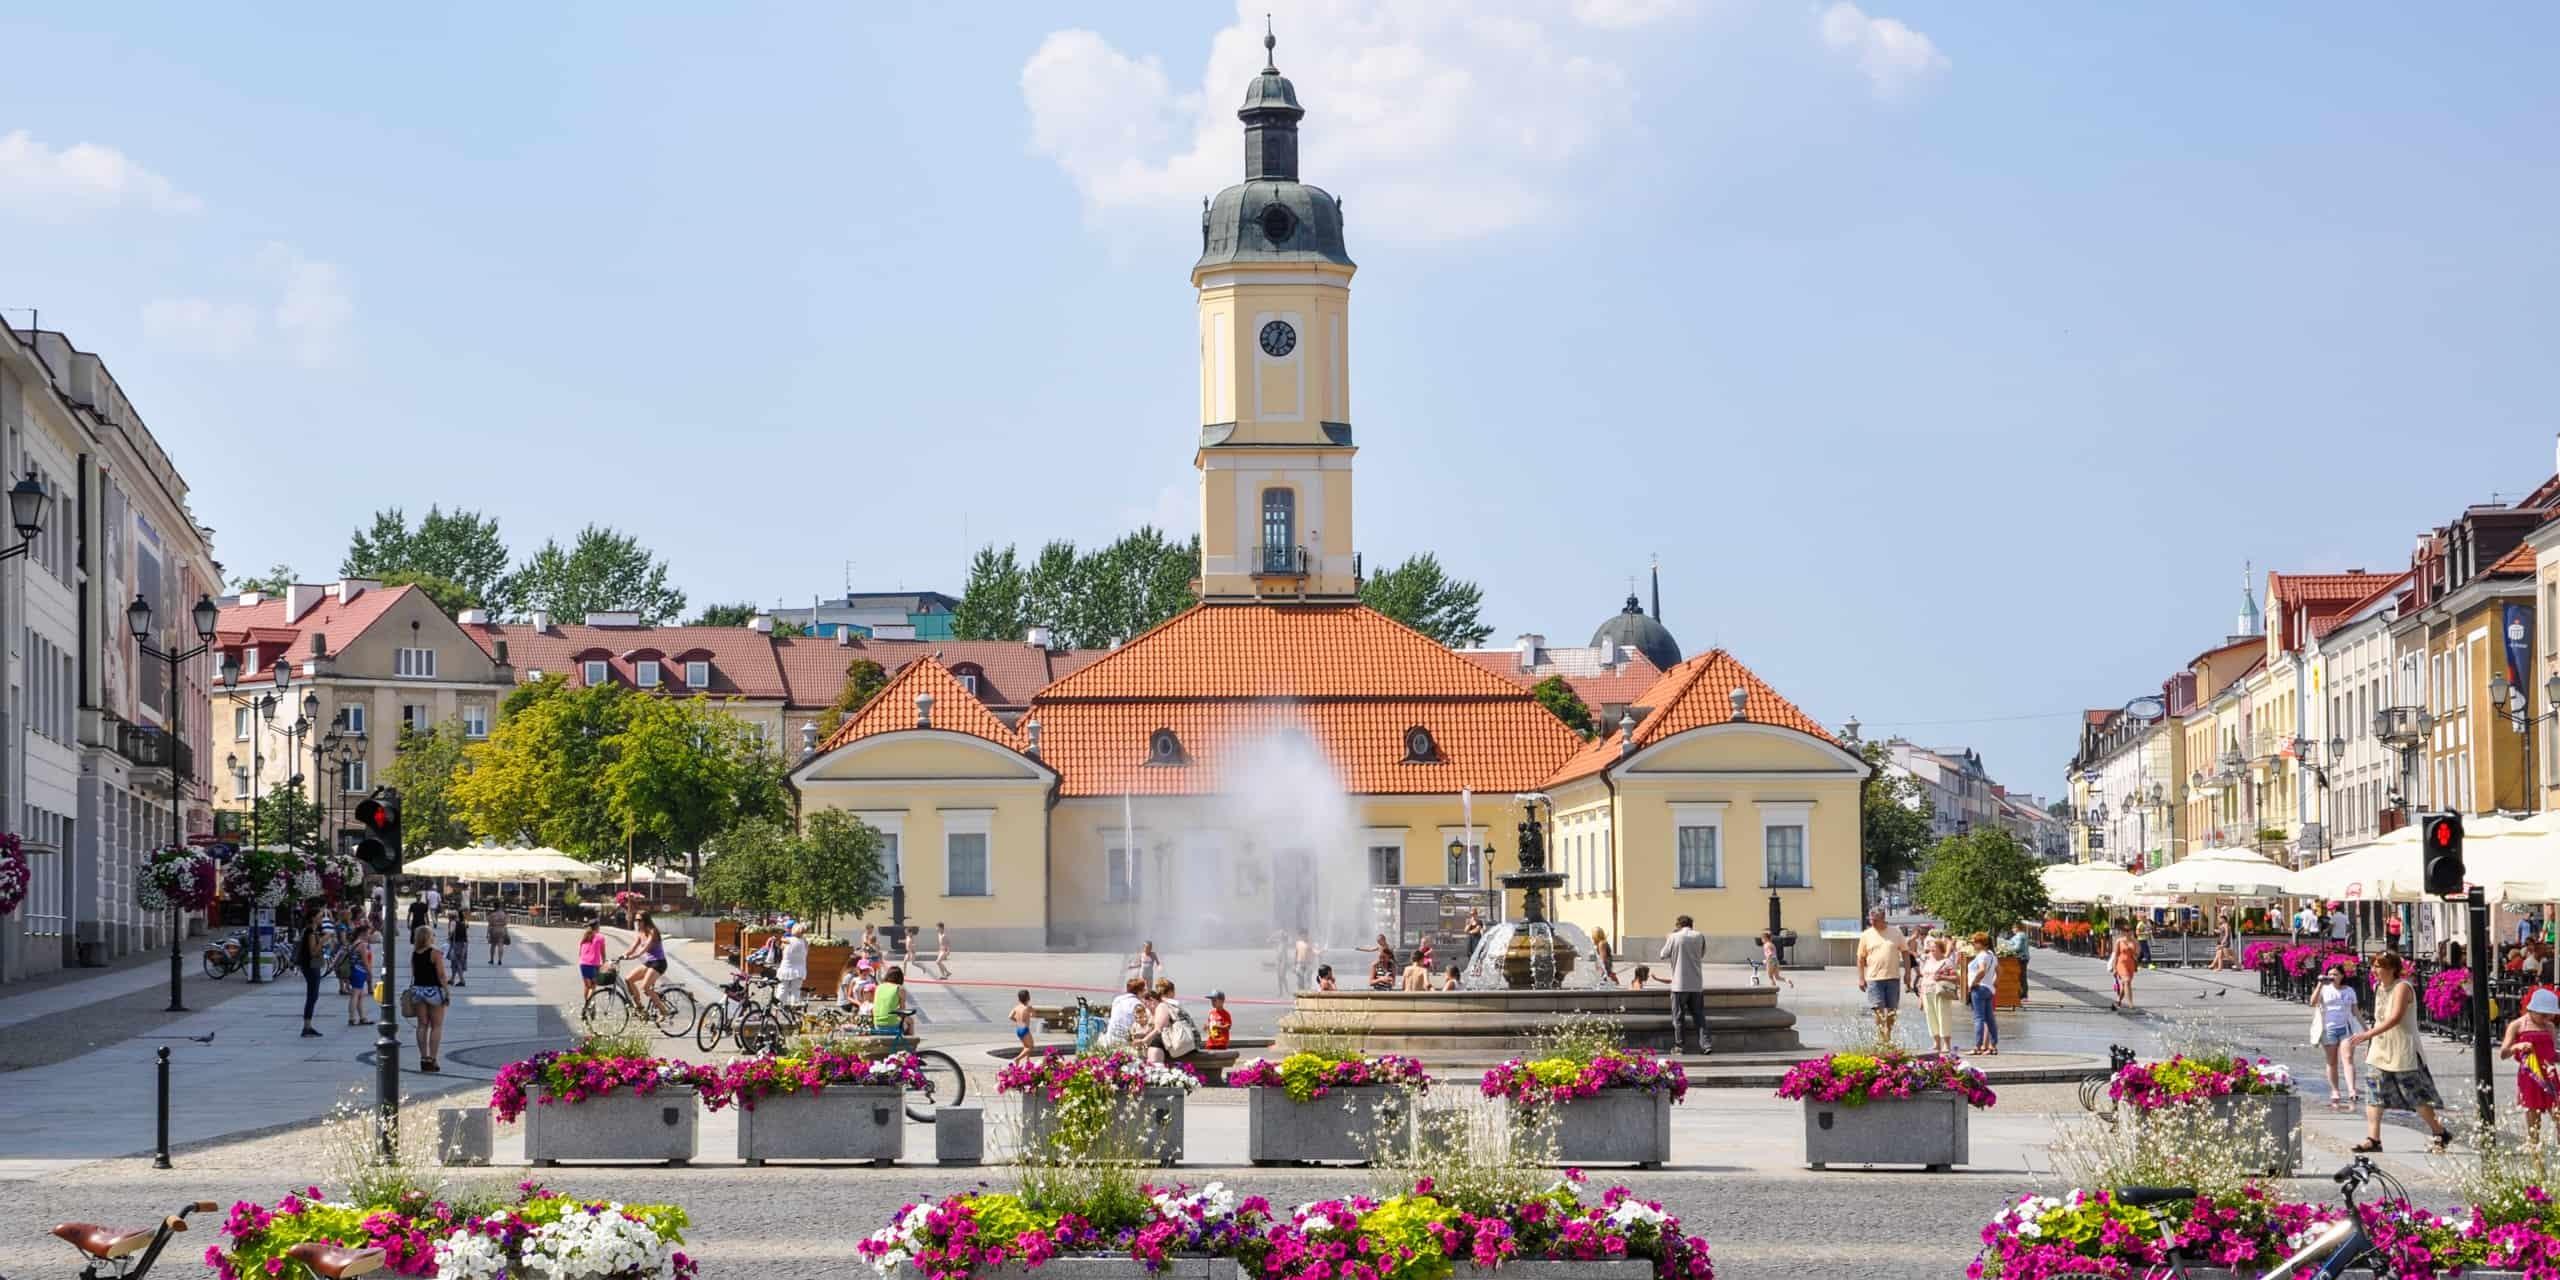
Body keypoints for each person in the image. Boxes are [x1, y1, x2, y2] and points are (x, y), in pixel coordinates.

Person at [2350, 951, 2453, 1153]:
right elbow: (2379, 1018)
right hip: (2380, 1048)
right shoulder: (2378, 987)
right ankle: (2374, 1139)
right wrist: (2371, 1042)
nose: (2373, 971)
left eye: (2377, 966)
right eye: (2373, 966)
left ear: (2391, 969)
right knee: (2374, 1093)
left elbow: (2395, 1017)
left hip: (2402, 1049)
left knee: (2415, 1095)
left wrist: (2366, 1034)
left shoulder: (2402, 988)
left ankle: (2439, 1131)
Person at [2507, 987, 2560, 1145]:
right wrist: (2517, 1046)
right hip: (2530, 1077)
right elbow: (2504, 1052)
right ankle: (2537, 1166)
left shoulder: (2549, 1027)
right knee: (2534, 1126)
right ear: (2532, 1009)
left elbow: (2552, 1054)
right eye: (2543, 1014)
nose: (2547, 1018)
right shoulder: (2517, 1025)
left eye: (2550, 1015)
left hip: (2550, 1076)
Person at [2309, 962, 2362, 1111]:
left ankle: (2352, 1089)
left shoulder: (2349, 991)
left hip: (2345, 1028)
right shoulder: (2324, 989)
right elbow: (2312, 1002)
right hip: (2328, 1029)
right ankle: (2335, 1090)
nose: (2332, 977)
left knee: (2348, 1058)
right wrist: (2320, 985)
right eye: (2330, 974)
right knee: (2332, 1061)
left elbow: (2355, 1011)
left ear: (2342, 976)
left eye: (2335, 974)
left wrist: (2365, 1029)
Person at [1661, 913, 1710, 1055]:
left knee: (1678, 1016)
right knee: (1699, 1016)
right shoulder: (1699, 936)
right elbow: (1702, 953)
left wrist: (1669, 938)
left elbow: (1663, 954)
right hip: (1696, 983)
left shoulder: (1674, 937)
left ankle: (1680, 1046)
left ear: (1678, 925)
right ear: (1691, 925)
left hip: (1679, 984)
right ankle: (1705, 1045)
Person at [1855, 908, 1905, 1042]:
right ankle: (1881, 1035)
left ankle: (1888, 1033)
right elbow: (1860, 958)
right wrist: (1861, 978)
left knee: (1892, 1010)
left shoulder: (1896, 932)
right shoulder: (1866, 935)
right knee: (1878, 1008)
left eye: (1875, 920)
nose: (1872, 922)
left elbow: (1905, 952)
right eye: (1871, 920)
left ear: (1883, 918)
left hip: (1893, 976)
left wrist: (1908, 974)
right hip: (1874, 978)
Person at [408, 924, 451, 1074]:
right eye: (432, 935)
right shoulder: (435, 953)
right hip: (433, 991)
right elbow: (441, 975)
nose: (434, 937)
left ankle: (423, 1058)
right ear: (428, 937)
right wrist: (447, 992)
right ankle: (432, 1059)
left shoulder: (415, 953)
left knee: (422, 1025)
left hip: (418, 991)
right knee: (436, 1026)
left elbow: (413, 973)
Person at [1918, 935, 1961, 1055]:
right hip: (1927, 991)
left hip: (1940, 992)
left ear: (1940, 949)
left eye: (1934, 949)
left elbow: (1956, 978)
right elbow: (1924, 978)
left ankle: (1946, 1044)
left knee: (1943, 1017)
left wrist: (1942, 977)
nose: (1931, 952)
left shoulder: (1946, 962)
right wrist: (1921, 997)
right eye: (1930, 949)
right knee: (1930, 1018)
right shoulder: (1927, 961)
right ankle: (1936, 1043)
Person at [619, 912, 667, 1016]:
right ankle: (640, 1007)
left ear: (646, 920)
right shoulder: (640, 932)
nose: (637, 922)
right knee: (628, 979)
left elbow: (645, 948)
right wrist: (622, 956)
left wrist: (634, 957)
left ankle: (664, 1011)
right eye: (636, 920)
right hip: (649, 963)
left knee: (645, 987)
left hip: (659, 963)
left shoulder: (652, 931)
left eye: (639, 920)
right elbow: (633, 947)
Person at [1146, 979, 1201, 1065]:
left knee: (1155, 1042)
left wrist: (1144, 1040)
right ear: (1171, 992)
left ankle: (1156, 1069)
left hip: (1181, 1043)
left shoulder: (1163, 1005)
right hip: (1192, 1042)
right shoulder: (1176, 1004)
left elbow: (1158, 1029)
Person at [294, 903, 329, 1038]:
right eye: (320, 916)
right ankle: (306, 1026)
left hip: (311, 966)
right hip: (310, 966)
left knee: (313, 995)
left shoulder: (313, 931)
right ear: (313, 918)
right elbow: (313, 952)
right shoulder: (310, 932)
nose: (322, 919)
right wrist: (322, 941)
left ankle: (308, 1026)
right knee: (312, 996)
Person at [1966, 931, 2000, 1055]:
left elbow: (1981, 970)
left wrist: (1973, 983)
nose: (1973, 945)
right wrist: (1993, 983)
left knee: (1978, 1018)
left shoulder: (1981, 955)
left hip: (1979, 989)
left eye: (1974, 942)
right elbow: (2000, 971)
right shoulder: (1992, 956)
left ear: (1981, 943)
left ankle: (1977, 1046)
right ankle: (1993, 1046)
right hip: (1989, 989)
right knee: (1990, 1019)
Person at [340, 919, 374, 1026]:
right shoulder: (362, 945)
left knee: (359, 996)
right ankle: (352, 1018)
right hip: (359, 971)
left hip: (354, 971)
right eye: (368, 934)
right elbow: (365, 961)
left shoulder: (354, 943)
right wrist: (370, 973)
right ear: (363, 934)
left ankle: (362, 1017)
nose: (369, 936)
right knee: (355, 995)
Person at [871, 964, 915, 1036]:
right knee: (910, 1021)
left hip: (877, 1024)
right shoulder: (899, 989)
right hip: (891, 1025)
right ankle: (910, 1044)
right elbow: (902, 1010)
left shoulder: (879, 987)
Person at [773, 922, 810, 1005]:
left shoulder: (787, 941)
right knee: (795, 992)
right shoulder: (805, 943)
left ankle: (778, 1010)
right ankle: (794, 1011)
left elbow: (780, 945)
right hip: (799, 970)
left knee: (782, 989)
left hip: (785, 969)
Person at [1105, 976, 1147, 1046]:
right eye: (1144, 989)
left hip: (1110, 1037)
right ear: (1139, 992)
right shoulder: (1138, 1004)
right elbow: (1142, 1025)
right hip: (1125, 1041)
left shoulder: (1117, 999)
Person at [2110, 925, 2141, 1012]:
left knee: (2125, 984)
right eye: (2125, 931)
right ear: (2123, 932)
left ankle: (2118, 1001)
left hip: (2130, 964)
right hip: (2121, 963)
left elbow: (2137, 955)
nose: (2127, 932)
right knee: (2127, 981)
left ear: (2131, 931)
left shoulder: (2135, 942)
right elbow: (2115, 955)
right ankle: (2130, 1004)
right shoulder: (2119, 941)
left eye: (2129, 930)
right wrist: (2114, 968)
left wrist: (2134, 952)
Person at [576, 922, 606, 1002]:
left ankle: (587, 1006)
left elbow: (580, 953)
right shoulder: (600, 937)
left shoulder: (585, 937)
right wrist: (604, 963)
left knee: (587, 986)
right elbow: (602, 953)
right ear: (597, 927)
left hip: (583, 964)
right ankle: (589, 1006)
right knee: (593, 987)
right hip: (594, 964)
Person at [2001, 923, 2031, 998]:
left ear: (2017, 928)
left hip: (2021, 958)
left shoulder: (2020, 936)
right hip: (2023, 958)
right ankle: (2023, 993)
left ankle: (2023, 994)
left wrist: (2006, 949)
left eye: (2013, 928)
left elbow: (2018, 948)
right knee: (2022, 976)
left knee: (2021, 976)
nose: (2012, 930)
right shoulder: (2022, 935)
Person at [445, 910, 470, 988]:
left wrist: (448, 939)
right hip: (463, 944)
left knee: (457, 962)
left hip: (456, 944)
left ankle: (462, 980)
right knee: (454, 963)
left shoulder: (452, 923)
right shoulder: (462, 923)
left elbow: (451, 933)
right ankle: (452, 979)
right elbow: (466, 935)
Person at [1010, 989, 1037, 1061]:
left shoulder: (1016, 1007)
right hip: (1025, 1029)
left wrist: (1018, 1021)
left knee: (1026, 1046)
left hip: (1019, 1029)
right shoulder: (1027, 1008)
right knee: (1030, 1047)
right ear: (1028, 998)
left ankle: (1027, 1061)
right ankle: (1017, 1059)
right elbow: (1034, 1015)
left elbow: (1010, 1016)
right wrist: (1032, 1011)